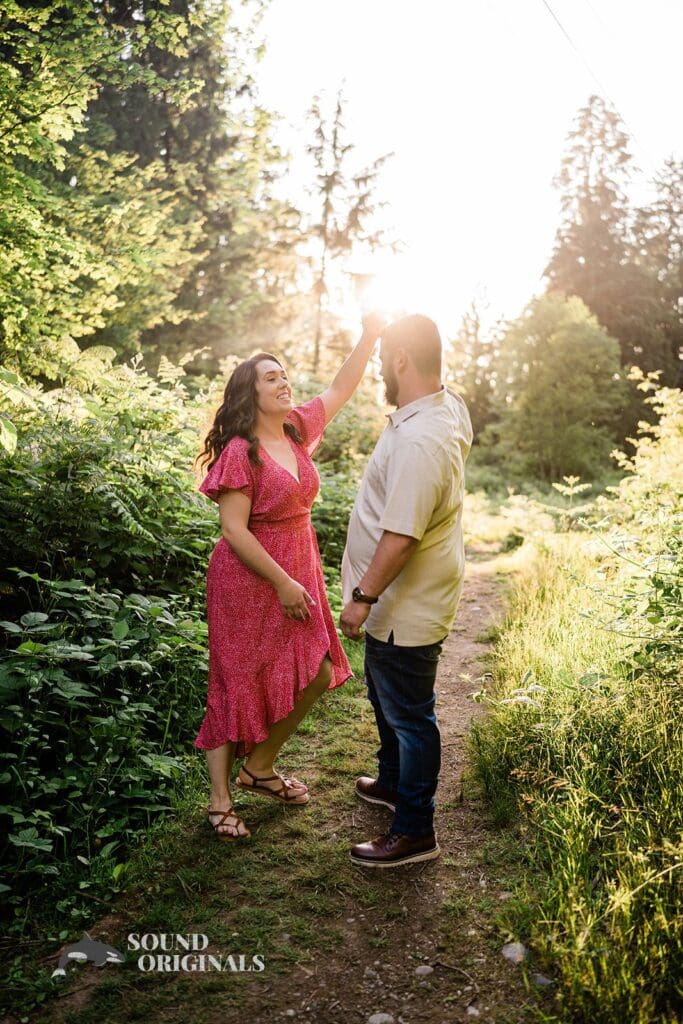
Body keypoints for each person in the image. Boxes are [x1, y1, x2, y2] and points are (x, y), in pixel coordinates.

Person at [195, 313, 385, 841]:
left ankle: (259, 767)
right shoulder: (242, 451)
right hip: (247, 579)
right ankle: (220, 799)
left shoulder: (298, 430)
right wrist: (281, 581)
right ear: (250, 393)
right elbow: (233, 530)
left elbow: (340, 388)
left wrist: (369, 336)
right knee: (236, 681)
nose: (284, 382)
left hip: (297, 566)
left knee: (318, 670)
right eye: (271, 377)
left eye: (284, 374)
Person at [339, 313, 473, 868]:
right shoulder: (443, 406)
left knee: (411, 717)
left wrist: (361, 598)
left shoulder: (423, 439)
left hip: (402, 604)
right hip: (397, 604)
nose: (378, 372)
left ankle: (415, 830)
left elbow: (401, 538)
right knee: (386, 696)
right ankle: (393, 781)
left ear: (401, 360)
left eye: (381, 359)